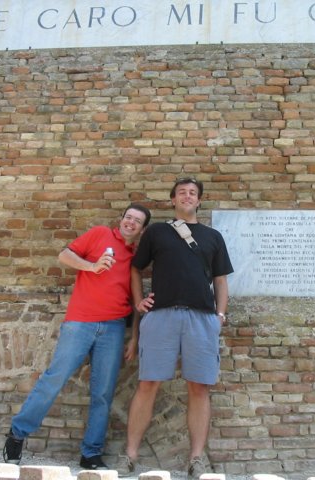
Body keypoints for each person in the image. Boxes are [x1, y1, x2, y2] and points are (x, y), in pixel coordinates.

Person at [2, 203, 152, 470]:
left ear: (142, 229)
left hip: (114, 328)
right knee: (55, 378)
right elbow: (64, 255)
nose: (130, 222)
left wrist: (134, 338)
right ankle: (17, 433)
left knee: (103, 393)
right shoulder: (100, 234)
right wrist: (92, 266)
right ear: (121, 219)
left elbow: (135, 300)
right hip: (80, 322)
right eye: (128, 217)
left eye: (137, 221)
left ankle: (90, 454)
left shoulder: (135, 257)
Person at [119, 178, 233, 477]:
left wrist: (220, 315)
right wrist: (139, 301)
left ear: (199, 201)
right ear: (173, 199)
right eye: (182, 192)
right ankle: (130, 454)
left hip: (202, 318)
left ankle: (196, 459)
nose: (187, 196)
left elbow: (221, 280)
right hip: (161, 315)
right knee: (148, 384)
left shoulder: (213, 237)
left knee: (199, 387)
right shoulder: (157, 231)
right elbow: (135, 268)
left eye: (193, 193)